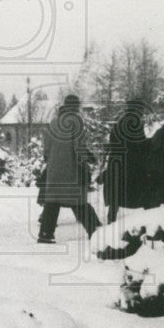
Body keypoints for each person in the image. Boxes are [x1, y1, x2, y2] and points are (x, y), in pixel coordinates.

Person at [37, 94, 101, 244]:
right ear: (76, 107)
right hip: (71, 170)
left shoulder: (53, 122)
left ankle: (45, 234)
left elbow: (46, 150)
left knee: (52, 202)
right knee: (78, 201)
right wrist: (85, 162)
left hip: (54, 170)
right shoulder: (76, 121)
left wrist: (53, 162)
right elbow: (79, 147)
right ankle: (96, 231)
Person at [102, 98, 151, 224]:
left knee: (116, 195)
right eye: (141, 110)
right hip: (130, 164)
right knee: (146, 192)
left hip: (116, 162)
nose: (142, 113)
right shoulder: (135, 122)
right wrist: (151, 143)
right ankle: (150, 223)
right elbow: (139, 144)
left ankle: (111, 222)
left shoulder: (120, 122)